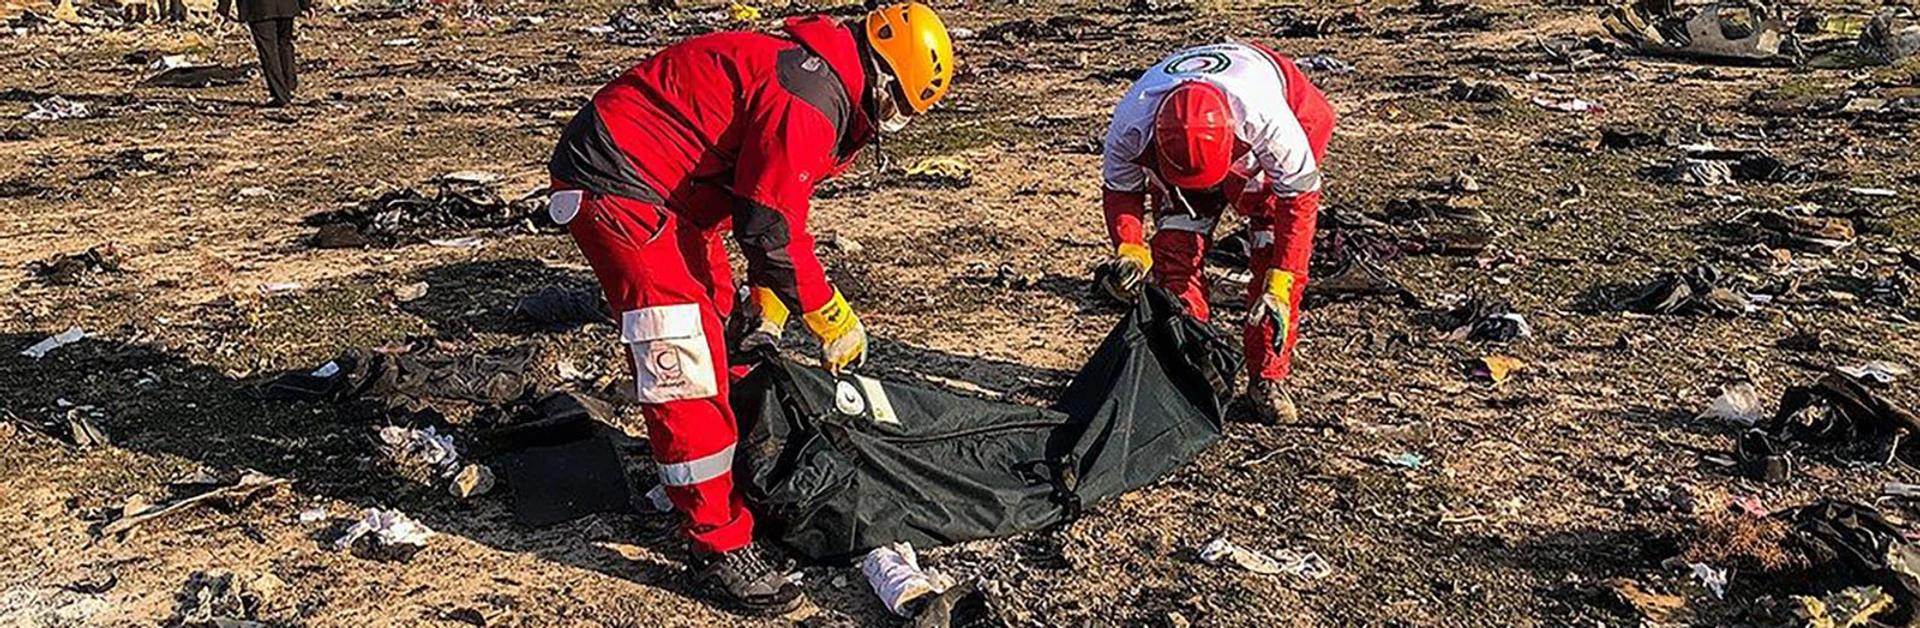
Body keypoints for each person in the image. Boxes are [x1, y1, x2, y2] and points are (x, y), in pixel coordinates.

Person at [545, 3, 955, 614]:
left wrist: (766, 304)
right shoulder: (810, 99)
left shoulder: (816, 79)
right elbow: (771, 226)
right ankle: (716, 544)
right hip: (622, 186)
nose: (891, 123)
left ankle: (731, 472)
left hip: (673, 193)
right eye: (897, 109)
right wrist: (826, 312)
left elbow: (767, 199)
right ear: (884, 80)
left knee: (723, 331)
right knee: (680, 356)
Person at [1095, 41, 1335, 425]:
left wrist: (1281, 280)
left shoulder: (1270, 122)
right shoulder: (1131, 123)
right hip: (1186, 154)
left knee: (1272, 247)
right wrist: (1130, 247)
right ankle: (1190, 369)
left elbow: (1299, 205)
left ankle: (1267, 378)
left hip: (1287, 116)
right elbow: (1122, 189)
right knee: (1175, 253)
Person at [219, 0, 308, 107]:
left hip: (258, 7)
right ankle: (289, 87)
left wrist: (224, 8)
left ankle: (280, 95)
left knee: (269, 50)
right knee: (284, 44)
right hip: (286, 5)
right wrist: (305, 4)